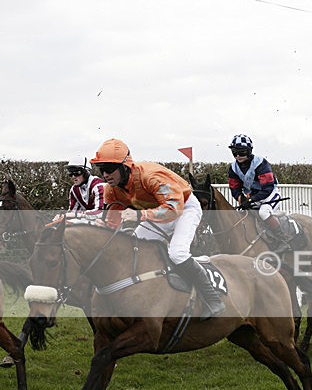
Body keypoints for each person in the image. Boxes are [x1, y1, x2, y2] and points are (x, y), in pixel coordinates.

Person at [90, 138, 225, 319]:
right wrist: (101, 226)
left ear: (125, 166)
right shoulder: (111, 189)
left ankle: (213, 299)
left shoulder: (150, 177)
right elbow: (112, 222)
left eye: (109, 168)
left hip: (184, 208)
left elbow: (174, 209)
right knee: (134, 249)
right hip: (158, 212)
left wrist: (139, 216)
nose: (105, 174)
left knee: (177, 253)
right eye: (101, 169)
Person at [227, 134, 291, 252]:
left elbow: (267, 188)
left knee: (263, 212)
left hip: (269, 195)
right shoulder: (233, 168)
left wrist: (250, 200)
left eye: (241, 152)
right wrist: (241, 199)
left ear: (249, 151)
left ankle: (283, 240)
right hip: (252, 196)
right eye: (234, 152)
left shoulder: (260, 163)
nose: (237, 156)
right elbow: (234, 188)